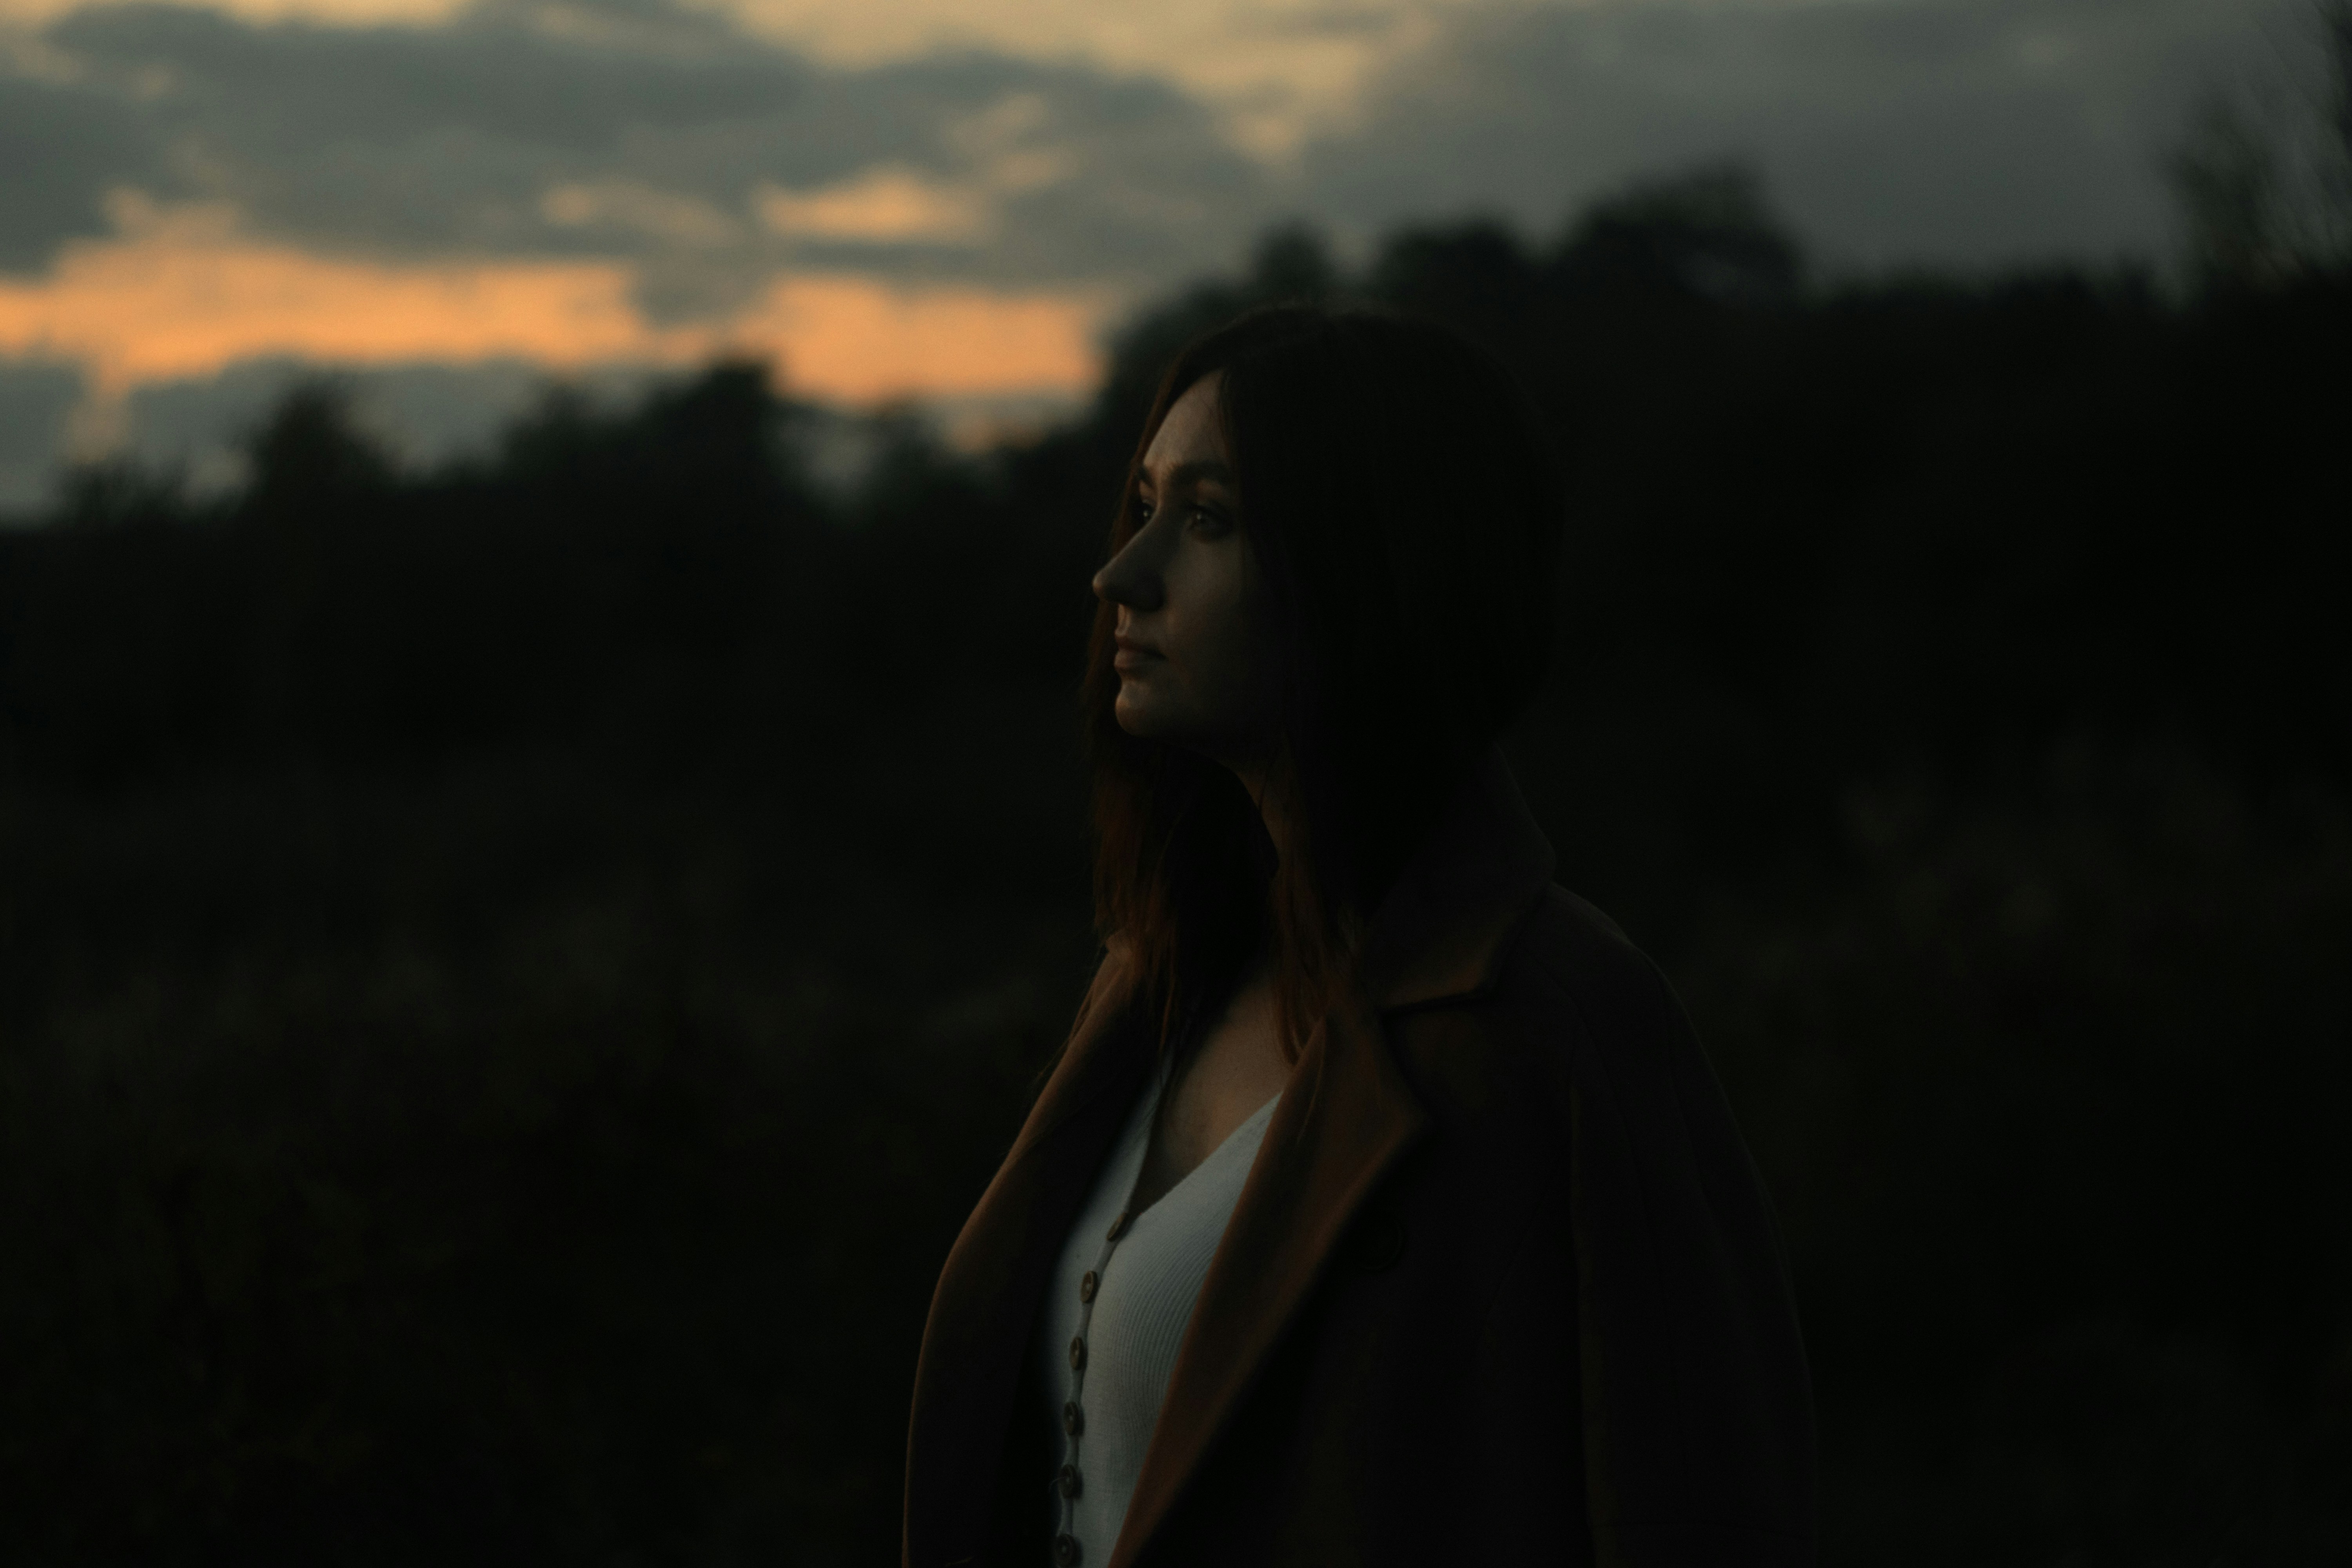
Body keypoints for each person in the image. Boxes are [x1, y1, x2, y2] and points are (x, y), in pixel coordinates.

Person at [903, 305, 1815, 1567]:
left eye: (1208, 520)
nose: (1125, 573)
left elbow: (1702, 1513)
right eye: (1145, 505)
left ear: (1365, 576)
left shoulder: (1558, 1024)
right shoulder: (1150, 987)